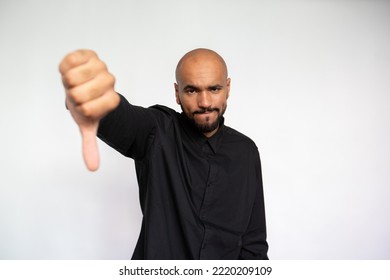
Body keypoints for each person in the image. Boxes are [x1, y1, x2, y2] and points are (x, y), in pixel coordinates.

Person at [59, 48, 269, 259]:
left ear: (228, 88)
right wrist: (91, 98)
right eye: (192, 90)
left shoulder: (246, 152)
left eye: (214, 89)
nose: (204, 102)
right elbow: (122, 117)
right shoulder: (156, 132)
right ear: (177, 93)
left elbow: (254, 245)